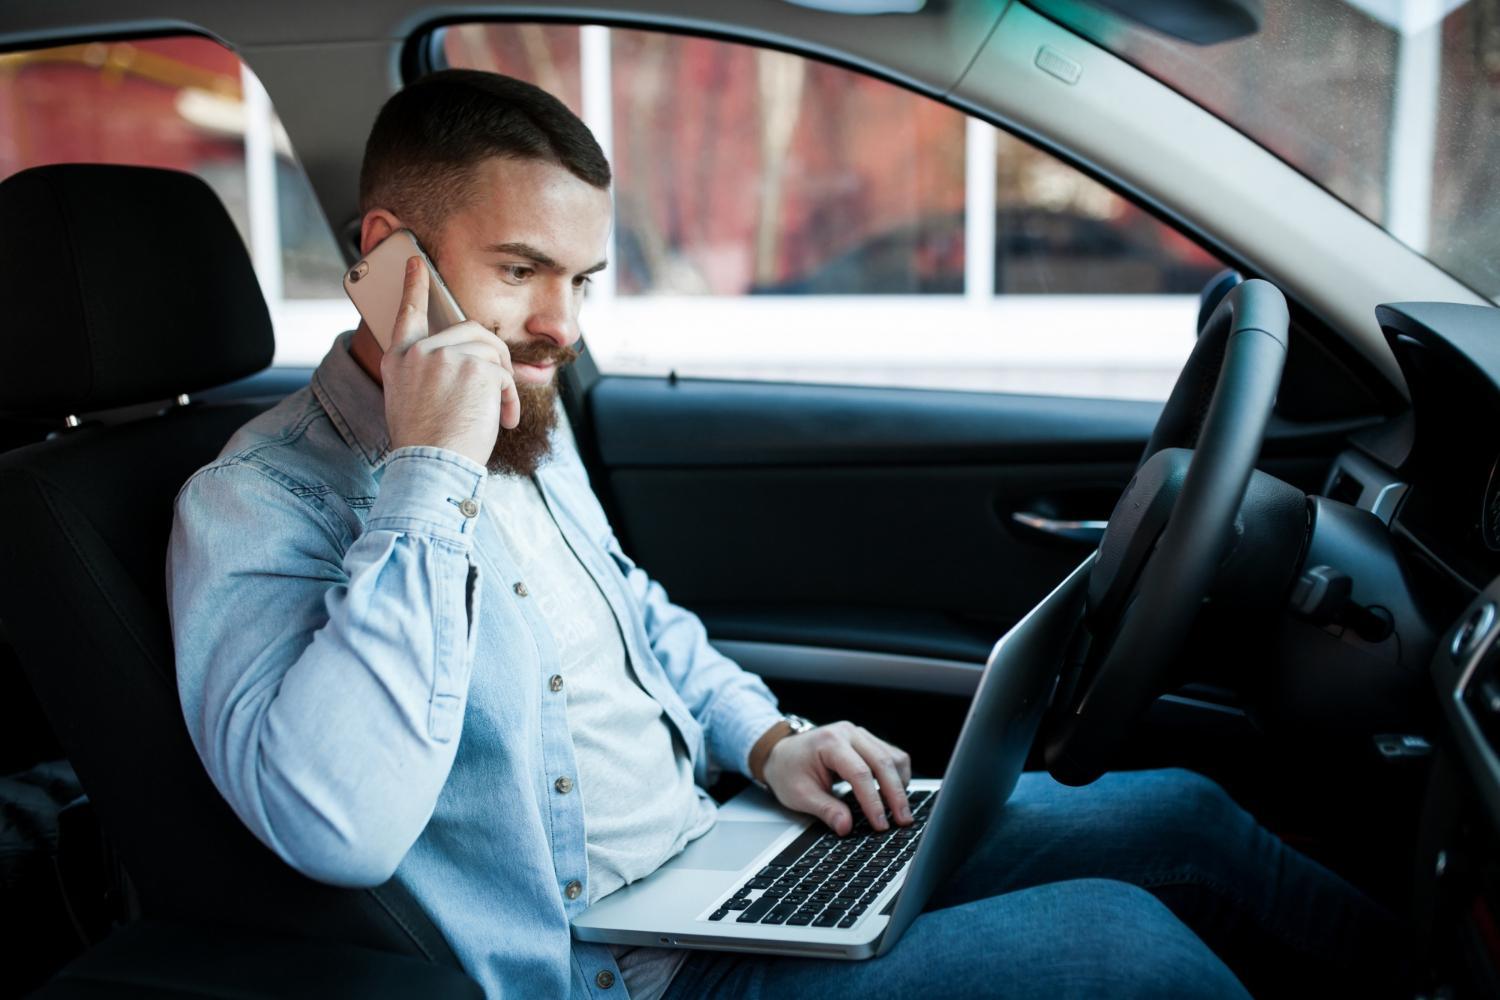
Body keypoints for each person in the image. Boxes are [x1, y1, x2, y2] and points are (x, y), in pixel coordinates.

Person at [167, 69, 1405, 999]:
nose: (561, 325)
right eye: (522, 270)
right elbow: (338, 823)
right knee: (1130, 952)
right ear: (391, 260)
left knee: (1182, 813)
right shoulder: (252, 507)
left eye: (584, 280)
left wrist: (763, 738)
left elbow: (637, 613)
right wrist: (428, 472)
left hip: (723, 857)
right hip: (635, 976)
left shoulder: (524, 415)